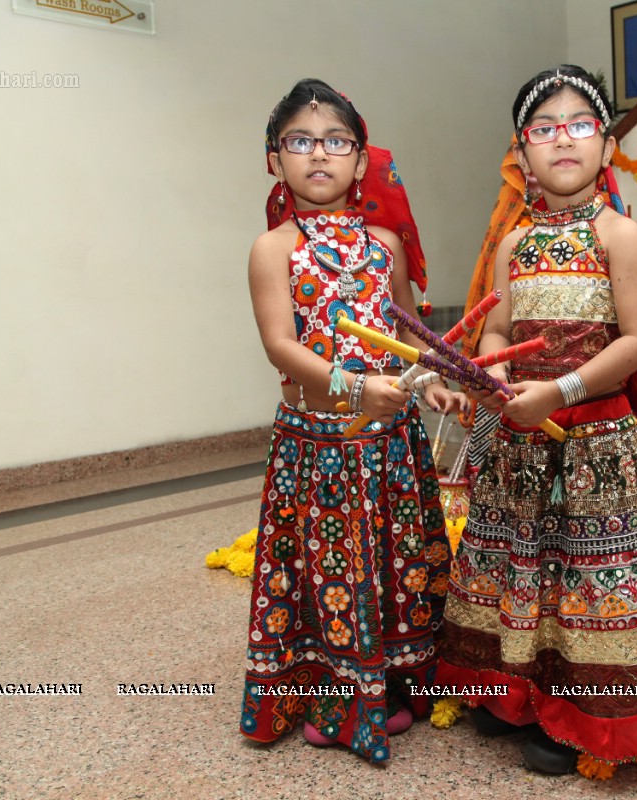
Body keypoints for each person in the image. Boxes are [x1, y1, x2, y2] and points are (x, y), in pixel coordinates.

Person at [437, 65, 637, 776]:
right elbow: (495, 330)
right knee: (519, 561)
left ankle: (588, 712)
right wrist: (490, 367)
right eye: (543, 129)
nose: (562, 141)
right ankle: (513, 693)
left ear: (607, 148)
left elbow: (636, 341)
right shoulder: (512, 245)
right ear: (521, 154)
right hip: (521, 440)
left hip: (597, 443)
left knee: (585, 575)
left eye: (580, 125)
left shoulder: (620, 237)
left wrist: (563, 391)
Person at [240, 78, 462, 764]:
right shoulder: (272, 248)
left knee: (396, 565)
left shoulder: (385, 244)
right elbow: (280, 344)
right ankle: (335, 695)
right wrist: (353, 387)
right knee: (329, 569)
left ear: (362, 161)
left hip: (390, 442)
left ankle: (395, 684)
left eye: (337, 141)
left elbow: (408, 329)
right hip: (320, 445)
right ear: (274, 158)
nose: (319, 155)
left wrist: (434, 381)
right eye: (299, 141)